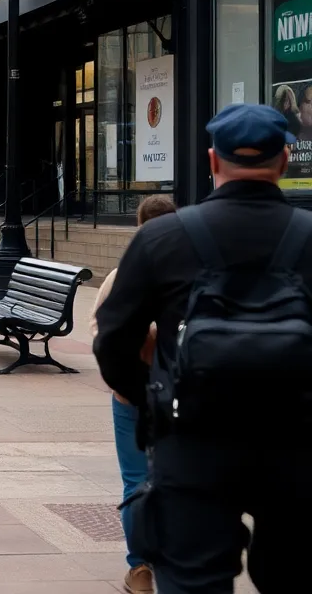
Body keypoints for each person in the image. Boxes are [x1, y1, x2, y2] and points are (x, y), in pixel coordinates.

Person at [95, 103, 312, 594]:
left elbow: (113, 340)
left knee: (192, 580)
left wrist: (155, 399)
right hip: (297, 445)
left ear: (213, 161)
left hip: (194, 442)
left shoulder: (163, 238)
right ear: (285, 160)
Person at [89, 194, 177, 594]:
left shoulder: (121, 274)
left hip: (131, 394)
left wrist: (119, 380)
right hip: (181, 392)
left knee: (135, 481)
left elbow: (99, 331)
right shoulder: (191, 269)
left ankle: (140, 568)